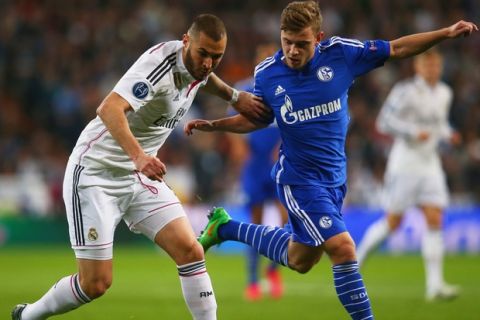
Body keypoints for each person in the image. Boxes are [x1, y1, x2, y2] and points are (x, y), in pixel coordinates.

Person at [183, 2, 478, 319]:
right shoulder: (268, 74)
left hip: (335, 179)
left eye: (302, 44)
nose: (293, 51)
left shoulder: (342, 55)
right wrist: (216, 125)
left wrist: (445, 33)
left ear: (319, 38)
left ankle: (225, 228)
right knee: (343, 247)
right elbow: (258, 118)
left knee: (300, 259)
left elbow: (396, 48)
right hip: (298, 179)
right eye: (287, 42)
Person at [11, 14, 269, 320]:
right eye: (204, 53)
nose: (209, 63)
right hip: (96, 174)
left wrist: (234, 96)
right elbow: (108, 109)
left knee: (191, 251)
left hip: (137, 177)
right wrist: (139, 157)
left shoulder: (197, 65)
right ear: (186, 41)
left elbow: (202, 77)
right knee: (95, 283)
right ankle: (27, 316)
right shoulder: (159, 67)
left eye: (217, 56)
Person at [356, 48, 462, 301]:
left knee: (435, 217)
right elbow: (383, 122)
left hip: (430, 163)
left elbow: (439, 125)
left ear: (440, 67)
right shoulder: (405, 91)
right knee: (394, 222)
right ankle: (355, 264)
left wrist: (449, 134)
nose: (432, 71)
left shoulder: (445, 93)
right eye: (427, 67)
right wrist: (413, 132)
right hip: (405, 164)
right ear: (418, 68)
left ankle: (434, 286)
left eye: (436, 66)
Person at [230, 43, 289, 301]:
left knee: (288, 218)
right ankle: (253, 280)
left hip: (281, 164)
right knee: (255, 223)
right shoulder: (244, 89)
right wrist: (239, 148)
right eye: (261, 57)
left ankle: (273, 269)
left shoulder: (285, 88)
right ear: (256, 61)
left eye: (270, 57)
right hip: (255, 165)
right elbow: (233, 123)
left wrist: (285, 146)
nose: (265, 61)